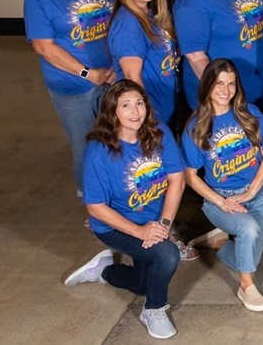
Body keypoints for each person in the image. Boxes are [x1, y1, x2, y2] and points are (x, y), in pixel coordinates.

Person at [64, 81, 185, 339]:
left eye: (139, 103)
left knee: (143, 284)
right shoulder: (99, 151)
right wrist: (139, 231)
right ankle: (154, 309)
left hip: (153, 224)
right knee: (168, 255)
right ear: (112, 111)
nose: (135, 111)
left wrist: (163, 225)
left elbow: (177, 179)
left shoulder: (158, 133)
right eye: (126, 105)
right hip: (115, 227)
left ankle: (104, 270)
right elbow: (96, 207)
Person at [25, 0, 116, 196]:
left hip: (112, 77)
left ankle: (117, 192)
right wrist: (89, 73)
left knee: (115, 140)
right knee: (86, 146)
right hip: (72, 86)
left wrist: (115, 68)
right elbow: (43, 47)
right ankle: (91, 197)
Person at [181, 59, 263, 312]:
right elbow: (190, 176)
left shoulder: (251, 114)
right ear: (207, 85)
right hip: (220, 199)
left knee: (251, 257)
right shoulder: (196, 126)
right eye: (219, 83)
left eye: (231, 84)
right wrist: (220, 201)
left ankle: (220, 244)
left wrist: (252, 190)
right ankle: (246, 286)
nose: (225, 89)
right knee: (249, 231)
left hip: (256, 195)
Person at [109, 0, 181, 124]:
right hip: (150, 118)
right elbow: (132, 78)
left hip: (164, 111)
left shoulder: (148, 14)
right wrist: (147, 120)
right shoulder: (128, 23)